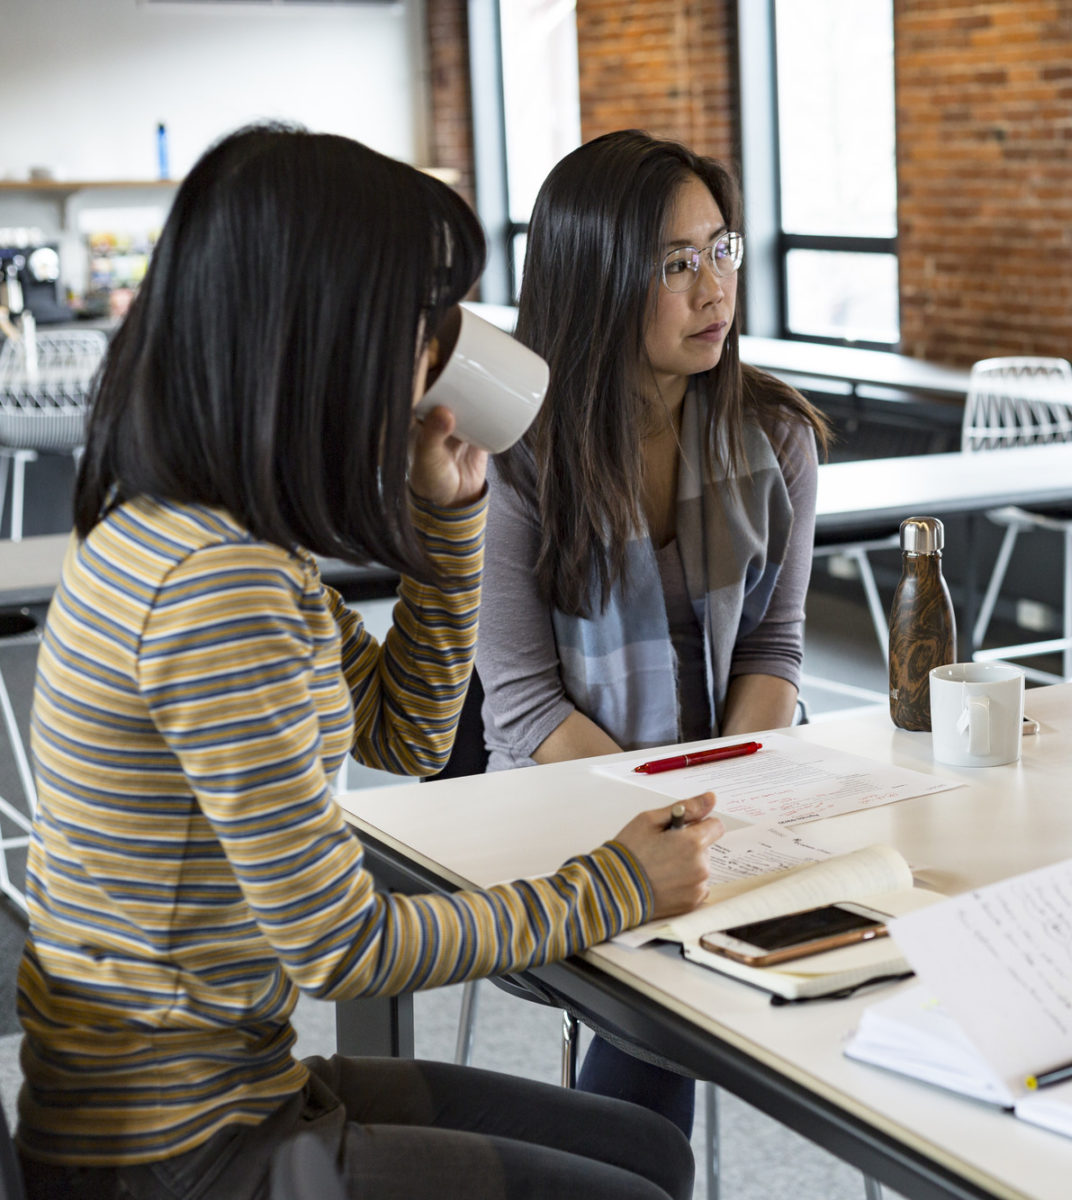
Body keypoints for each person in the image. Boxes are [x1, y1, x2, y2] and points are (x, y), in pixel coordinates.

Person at [18, 124, 721, 1200]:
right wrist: (613, 886)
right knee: (636, 1190)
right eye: (419, 326)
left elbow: (410, 735)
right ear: (322, 338)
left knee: (651, 1154)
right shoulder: (213, 586)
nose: (436, 357)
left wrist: (452, 522)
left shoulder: (223, 537)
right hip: (172, 1152)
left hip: (241, 1087)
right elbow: (343, 948)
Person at [476, 131, 826, 1133]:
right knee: (661, 964)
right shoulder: (517, 452)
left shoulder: (778, 438)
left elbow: (773, 655)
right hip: (552, 805)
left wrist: (726, 795)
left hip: (726, 797)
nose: (715, 290)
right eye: (676, 265)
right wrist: (666, 828)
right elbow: (526, 702)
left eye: (723, 250)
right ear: (594, 281)